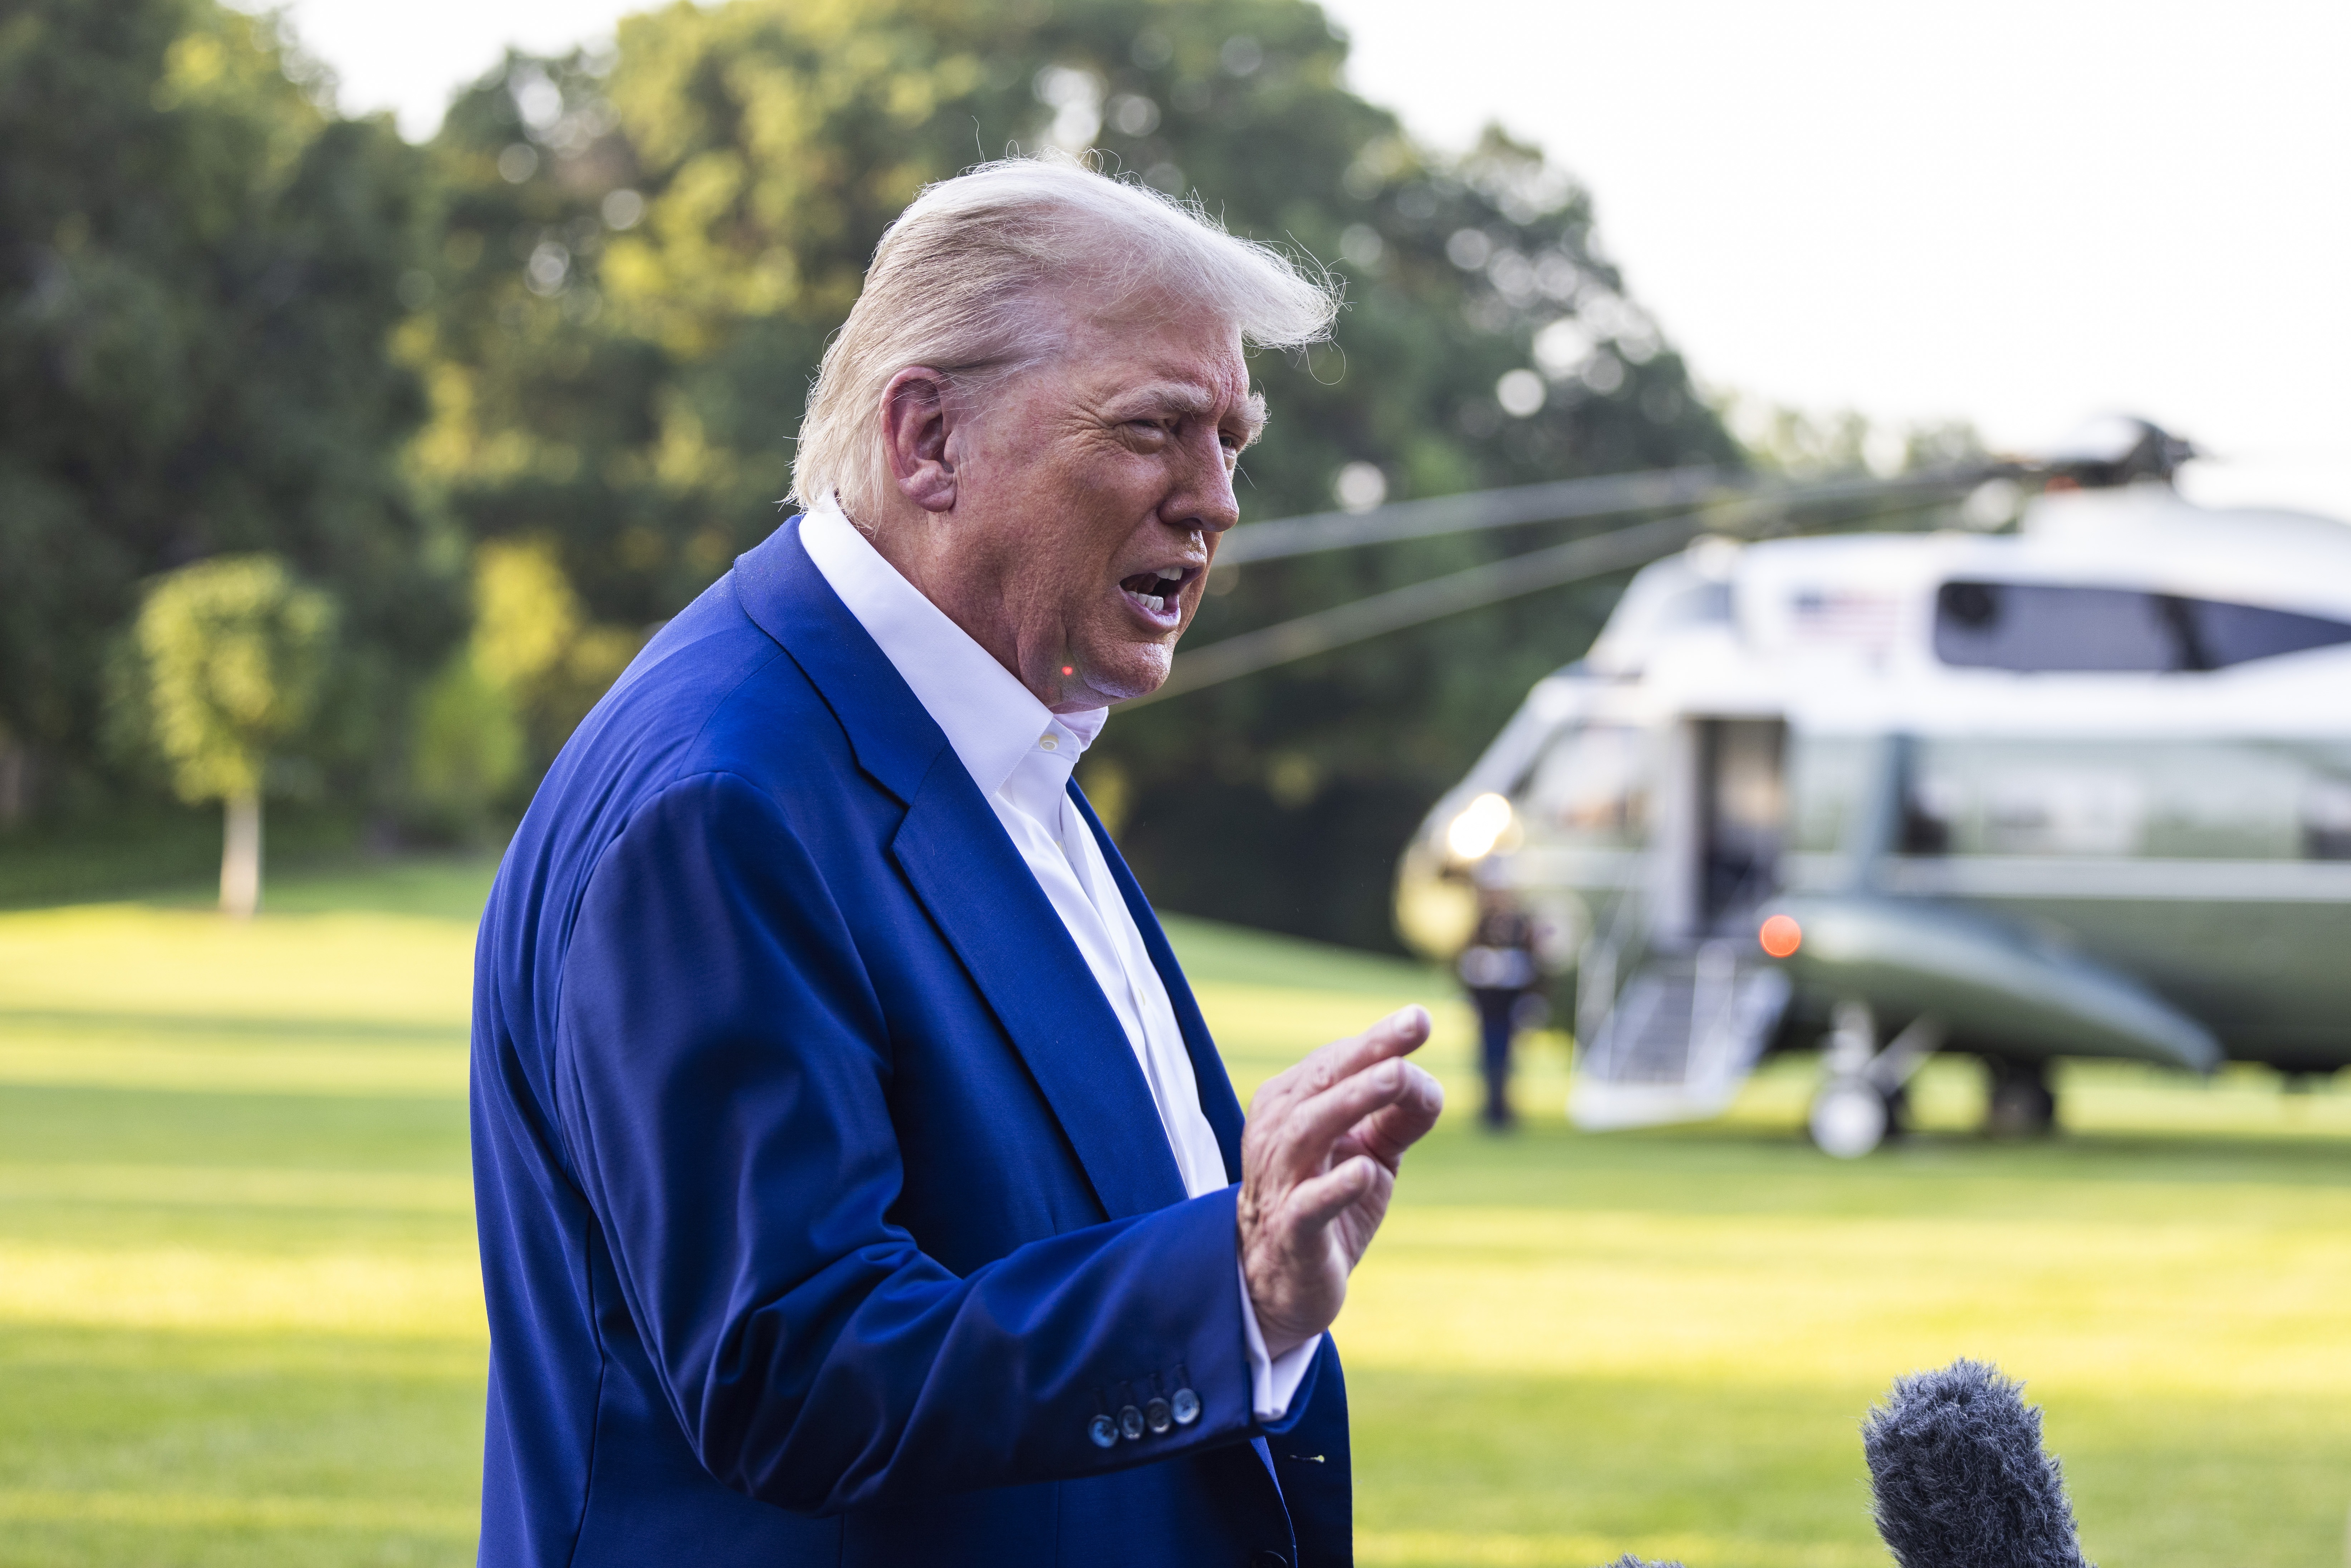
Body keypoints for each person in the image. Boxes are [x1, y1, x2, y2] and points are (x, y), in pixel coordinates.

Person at [469, 156, 1445, 1568]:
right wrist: (1227, 1283)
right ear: (928, 437)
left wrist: (1248, 1240)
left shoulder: (992, 734)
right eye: (1159, 427)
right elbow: (787, 1374)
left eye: (1233, 440)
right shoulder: (720, 799)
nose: (1216, 500)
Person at [1458, 888, 1542, 1129]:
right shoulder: (1479, 934)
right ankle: (1490, 1109)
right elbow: (1467, 972)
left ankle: (1503, 1108)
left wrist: (1530, 1002)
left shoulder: (1522, 936)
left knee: (1506, 1061)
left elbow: (1533, 975)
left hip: (1509, 1010)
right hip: (1488, 1010)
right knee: (1488, 1060)